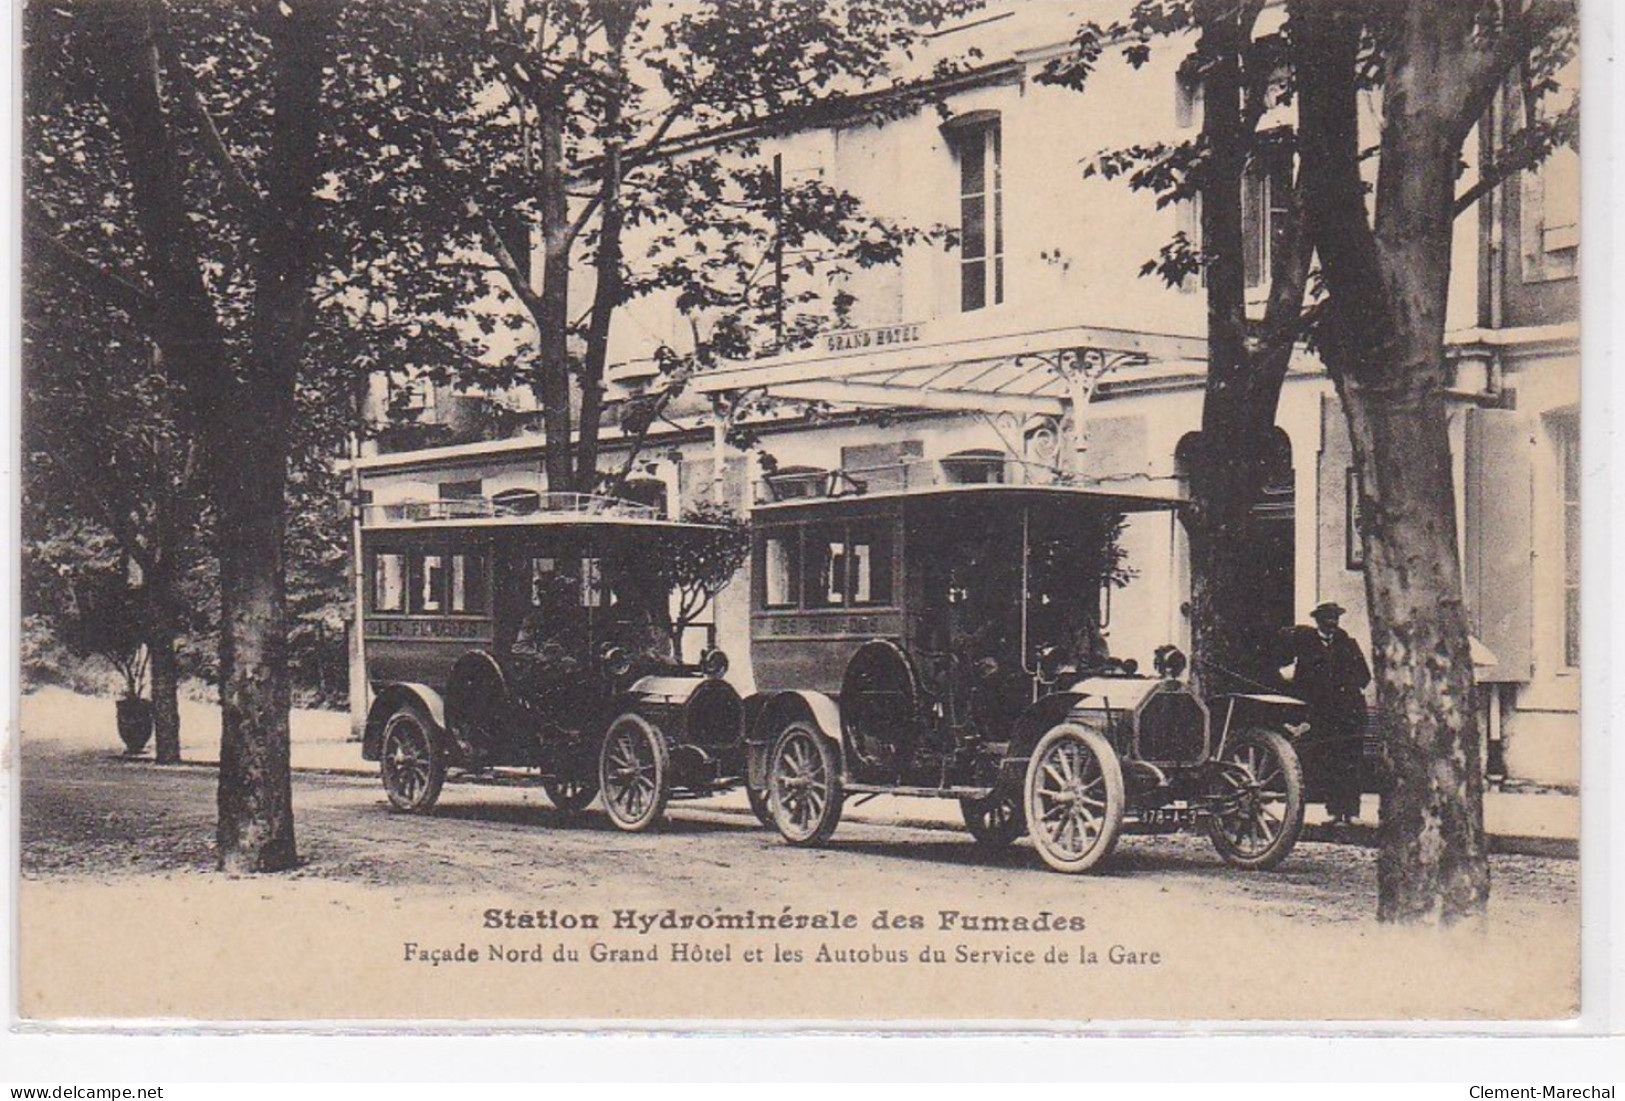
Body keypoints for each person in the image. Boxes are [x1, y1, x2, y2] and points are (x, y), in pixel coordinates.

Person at [1280, 601, 1372, 824]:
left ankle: (1351, 813)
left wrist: (1344, 685)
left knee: (1350, 761)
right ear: (1318, 621)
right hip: (1324, 715)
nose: (1331, 623)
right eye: (1327, 619)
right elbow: (1300, 682)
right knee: (1329, 762)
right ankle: (1334, 813)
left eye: (1335, 619)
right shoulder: (1307, 648)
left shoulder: (1348, 645)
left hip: (1349, 713)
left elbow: (1364, 676)